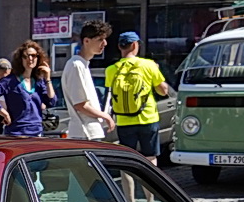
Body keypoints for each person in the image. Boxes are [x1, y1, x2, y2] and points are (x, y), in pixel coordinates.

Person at [103, 31, 170, 159]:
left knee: (127, 158)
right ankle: (148, 179)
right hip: (148, 118)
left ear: (119, 47)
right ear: (134, 45)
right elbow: (163, 91)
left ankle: (127, 180)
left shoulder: (111, 70)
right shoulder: (148, 65)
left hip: (123, 120)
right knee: (150, 157)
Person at [0, 41, 57, 137]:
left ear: (38, 58)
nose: (30, 59)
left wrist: (48, 79)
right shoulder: (10, 81)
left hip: (37, 133)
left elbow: (51, 101)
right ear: (20, 59)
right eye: (26, 56)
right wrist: (4, 113)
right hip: (16, 134)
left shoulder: (39, 82)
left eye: (34, 55)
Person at [61, 23, 116, 142]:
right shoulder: (76, 65)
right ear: (86, 41)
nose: (105, 43)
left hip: (90, 131)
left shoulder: (83, 64)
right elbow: (80, 105)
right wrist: (105, 116)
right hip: (84, 133)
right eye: (100, 39)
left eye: (105, 39)